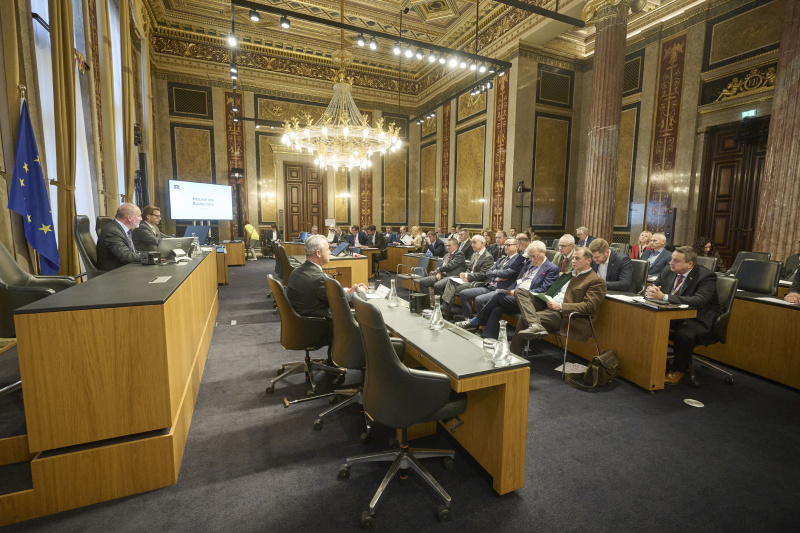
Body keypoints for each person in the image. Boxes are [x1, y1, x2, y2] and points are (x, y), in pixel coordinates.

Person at [645, 246, 722, 385]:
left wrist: (665, 297)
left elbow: (698, 301)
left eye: (676, 261)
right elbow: (653, 287)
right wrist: (649, 292)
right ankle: (652, 362)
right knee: (648, 320)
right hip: (673, 314)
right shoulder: (668, 271)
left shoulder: (706, 276)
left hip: (698, 318)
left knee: (684, 333)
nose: (670, 263)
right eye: (671, 259)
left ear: (690, 264)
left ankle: (677, 370)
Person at [510, 247, 607, 355]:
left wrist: (561, 306)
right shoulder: (568, 275)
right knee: (520, 291)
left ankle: (514, 357)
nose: (573, 261)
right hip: (548, 304)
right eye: (573, 258)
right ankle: (534, 324)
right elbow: (552, 292)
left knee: (525, 318)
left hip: (563, 315)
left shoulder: (596, 281)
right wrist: (543, 296)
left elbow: (590, 306)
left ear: (588, 260)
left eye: (577, 258)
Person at [457, 241, 560, 338]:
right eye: (530, 256)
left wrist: (521, 293)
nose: (532, 259)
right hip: (513, 296)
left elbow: (543, 289)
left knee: (498, 296)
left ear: (543, 252)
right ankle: (488, 337)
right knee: (496, 309)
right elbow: (514, 267)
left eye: (535, 256)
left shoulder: (551, 268)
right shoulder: (529, 263)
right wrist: (524, 255)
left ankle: (475, 321)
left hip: (529, 300)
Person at [286, 235, 367, 349]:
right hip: (315, 328)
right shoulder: (318, 278)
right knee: (359, 323)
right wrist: (361, 292)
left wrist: (348, 291)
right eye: (328, 249)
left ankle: (334, 361)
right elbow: (349, 303)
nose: (330, 252)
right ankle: (341, 361)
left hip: (299, 325)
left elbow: (328, 294)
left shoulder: (297, 271)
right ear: (318, 253)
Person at [457, 238, 524, 320]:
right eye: (505, 245)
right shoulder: (502, 259)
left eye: (508, 245)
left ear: (516, 246)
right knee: (464, 293)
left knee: (479, 299)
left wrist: (495, 272)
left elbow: (507, 273)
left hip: (501, 289)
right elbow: (488, 272)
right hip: (489, 286)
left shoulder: (519, 260)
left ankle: (481, 324)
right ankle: (467, 318)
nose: (505, 247)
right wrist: (497, 277)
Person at [440, 235, 494, 319]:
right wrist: (466, 276)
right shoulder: (474, 255)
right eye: (471, 242)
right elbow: (469, 268)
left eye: (474, 242)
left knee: (452, 289)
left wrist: (468, 276)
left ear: (482, 243)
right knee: (450, 281)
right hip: (468, 280)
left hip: (478, 282)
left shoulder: (488, 257)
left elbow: (483, 274)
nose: (472, 245)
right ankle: (445, 309)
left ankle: (463, 315)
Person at [97, 203, 142, 271]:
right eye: (139, 216)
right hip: (115, 274)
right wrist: (150, 257)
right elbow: (127, 257)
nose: (141, 219)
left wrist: (150, 254)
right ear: (129, 218)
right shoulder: (112, 232)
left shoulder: (123, 230)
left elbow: (132, 252)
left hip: (126, 269)